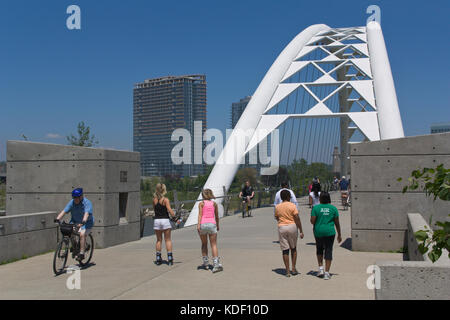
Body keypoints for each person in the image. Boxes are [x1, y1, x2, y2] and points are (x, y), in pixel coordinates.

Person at [56, 188, 94, 261]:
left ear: (81, 197)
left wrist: (83, 222)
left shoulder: (87, 203)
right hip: (75, 221)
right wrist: (57, 219)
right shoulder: (72, 202)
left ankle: (82, 253)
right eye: (74, 197)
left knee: (82, 234)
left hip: (86, 223)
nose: (75, 199)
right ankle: (75, 247)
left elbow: (86, 214)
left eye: (77, 198)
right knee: (69, 231)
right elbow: (64, 211)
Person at [310, 192, 342, 280]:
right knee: (328, 250)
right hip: (330, 232)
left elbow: (312, 221)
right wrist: (339, 234)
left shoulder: (316, 208)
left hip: (318, 232)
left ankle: (320, 269)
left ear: (320, 199)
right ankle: (327, 273)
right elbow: (337, 223)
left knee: (319, 249)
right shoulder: (333, 208)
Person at [275, 190, 304, 277]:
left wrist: (282, 221)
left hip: (282, 227)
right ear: (288, 197)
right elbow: (297, 218)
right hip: (292, 226)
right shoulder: (292, 206)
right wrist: (301, 230)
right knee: (293, 248)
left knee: (285, 250)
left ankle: (287, 271)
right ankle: (293, 268)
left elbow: (276, 217)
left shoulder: (278, 207)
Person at [197, 189, 223, 273]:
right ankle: (216, 265)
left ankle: (206, 264)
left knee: (204, 244)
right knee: (213, 245)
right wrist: (218, 225)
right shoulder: (214, 204)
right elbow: (216, 216)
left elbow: (200, 215)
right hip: (212, 224)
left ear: (203, 196)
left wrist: (198, 225)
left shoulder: (201, 204)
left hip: (203, 225)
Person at [153, 183, 176, 266]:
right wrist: (175, 216)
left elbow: (155, 210)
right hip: (165, 220)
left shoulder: (154, 200)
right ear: (164, 190)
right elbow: (169, 210)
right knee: (168, 240)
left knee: (159, 240)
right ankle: (170, 258)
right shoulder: (166, 200)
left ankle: (158, 258)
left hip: (157, 220)